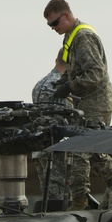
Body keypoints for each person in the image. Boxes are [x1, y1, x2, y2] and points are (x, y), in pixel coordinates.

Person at [43, 0, 112, 210]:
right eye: (50, 25)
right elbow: (75, 70)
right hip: (87, 102)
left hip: (96, 102)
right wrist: (62, 84)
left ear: (67, 16)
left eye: (55, 23)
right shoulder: (70, 38)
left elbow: (96, 73)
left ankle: (79, 201)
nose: (53, 28)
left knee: (78, 149)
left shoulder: (83, 37)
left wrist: (71, 87)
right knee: (96, 154)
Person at [31, 51, 71, 206]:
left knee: (47, 195)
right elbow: (69, 119)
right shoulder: (63, 85)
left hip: (38, 147)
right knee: (58, 199)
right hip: (56, 150)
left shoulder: (40, 84)